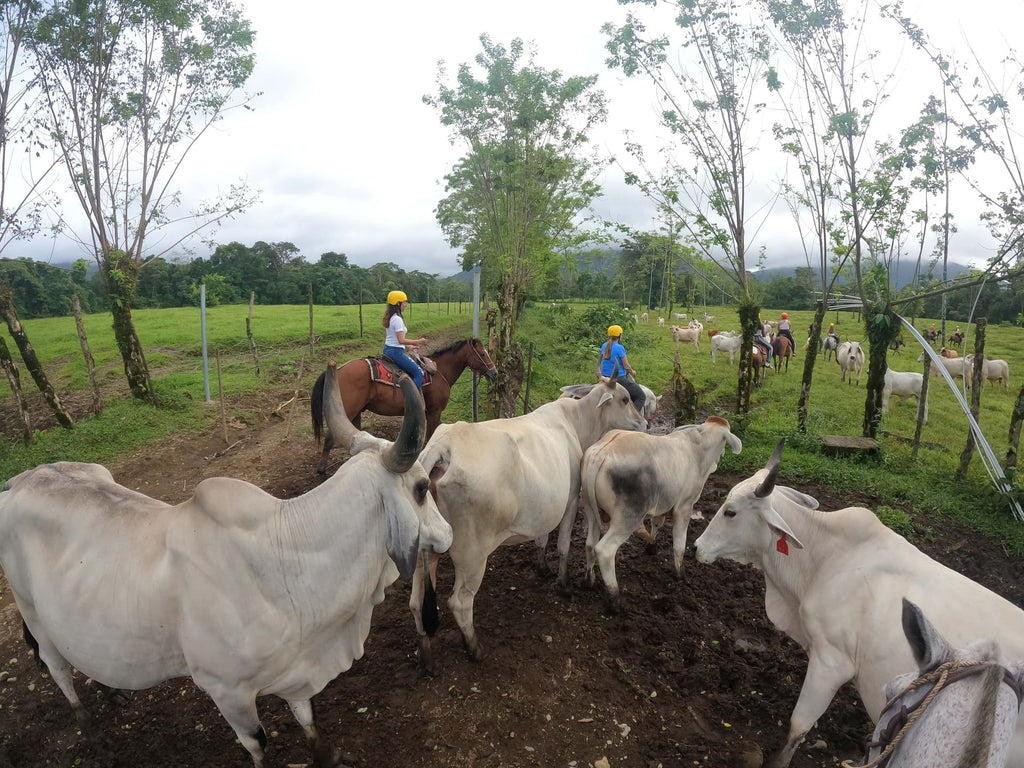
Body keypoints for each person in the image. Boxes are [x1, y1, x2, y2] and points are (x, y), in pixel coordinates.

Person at [382, 290, 427, 390]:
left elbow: (393, 338)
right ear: (398, 303)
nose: (406, 304)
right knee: (419, 373)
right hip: (396, 353)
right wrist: (418, 341)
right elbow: (401, 340)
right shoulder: (397, 319)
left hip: (388, 350)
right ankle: (411, 401)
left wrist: (409, 346)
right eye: (405, 302)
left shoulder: (391, 317)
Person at [600, 325, 645, 414]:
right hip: (619, 378)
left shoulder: (604, 345)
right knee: (641, 396)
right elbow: (626, 367)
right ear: (620, 336)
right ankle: (633, 417)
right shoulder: (619, 348)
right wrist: (633, 372)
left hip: (604, 377)